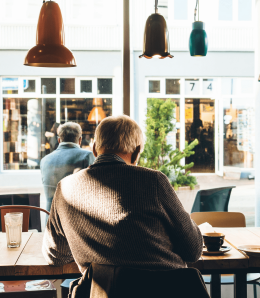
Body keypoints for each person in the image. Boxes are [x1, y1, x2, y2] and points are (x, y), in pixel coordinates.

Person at [42, 115, 203, 275]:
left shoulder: (65, 188)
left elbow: (55, 255)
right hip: (167, 290)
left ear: (94, 149)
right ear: (136, 152)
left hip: (102, 292)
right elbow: (193, 250)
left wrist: (86, 245)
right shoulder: (153, 181)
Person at [40, 122, 95, 215]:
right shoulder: (87, 156)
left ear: (59, 140)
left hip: (50, 220)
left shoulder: (45, 160)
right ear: (80, 140)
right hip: (76, 221)